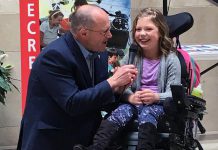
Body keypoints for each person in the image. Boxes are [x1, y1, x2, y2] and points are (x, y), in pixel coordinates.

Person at [17, 5, 137, 150]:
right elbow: (72, 103)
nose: (110, 35)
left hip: (84, 139)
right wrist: (112, 82)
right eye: (105, 31)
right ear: (84, 33)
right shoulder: (54, 56)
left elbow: (97, 97)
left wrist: (118, 89)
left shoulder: (100, 52)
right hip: (53, 140)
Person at [73, 8, 181, 150]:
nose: (142, 34)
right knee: (119, 113)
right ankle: (96, 147)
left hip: (157, 105)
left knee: (148, 114)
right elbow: (122, 85)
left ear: (161, 32)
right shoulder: (132, 55)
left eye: (148, 29)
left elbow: (174, 93)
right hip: (133, 102)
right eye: (138, 29)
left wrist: (155, 96)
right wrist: (129, 97)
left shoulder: (171, 59)